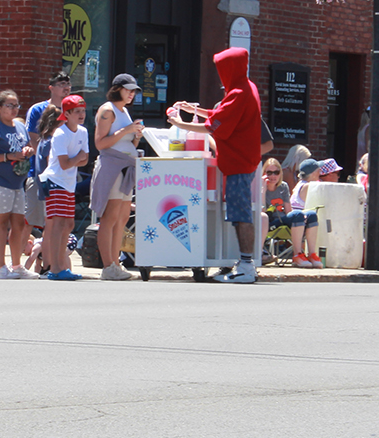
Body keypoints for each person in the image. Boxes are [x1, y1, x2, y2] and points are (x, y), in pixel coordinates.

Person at [167, 47, 265, 284]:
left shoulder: (239, 92)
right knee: (239, 213)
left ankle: (246, 266)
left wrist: (180, 123)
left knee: (241, 215)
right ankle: (243, 263)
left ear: (229, 68)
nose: (220, 74)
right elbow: (221, 114)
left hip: (239, 163)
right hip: (242, 161)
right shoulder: (246, 87)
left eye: (222, 69)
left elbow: (215, 126)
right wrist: (195, 110)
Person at [92, 74, 145, 280]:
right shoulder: (107, 110)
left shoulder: (124, 112)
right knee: (110, 217)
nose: (131, 94)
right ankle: (108, 266)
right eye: (128, 89)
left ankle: (116, 262)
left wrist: (136, 136)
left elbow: (128, 146)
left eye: (134, 91)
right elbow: (100, 143)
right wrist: (127, 130)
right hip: (112, 166)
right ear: (117, 89)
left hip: (126, 167)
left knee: (122, 218)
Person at [0, 90, 34, 279]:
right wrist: (7, 156)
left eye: (16, 105)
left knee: (18, 223)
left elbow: (26, 146)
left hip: (17, 181)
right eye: (9, 105)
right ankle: (1, 267)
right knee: (2, 222)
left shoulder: (19, 127)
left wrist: (28, 150)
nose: (14, 109)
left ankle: (16, 265)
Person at [38, 95, 90, 280]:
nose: (81, 114)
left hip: (68, 183)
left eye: (83, 111)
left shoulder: (83, 132)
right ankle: (55, 268)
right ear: (66, 114)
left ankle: (61, 267)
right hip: (54, 181)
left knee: (68, 224)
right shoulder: (60, 134)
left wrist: (76, 159)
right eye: (77, 111)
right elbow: (66, 163)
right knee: (58, 224)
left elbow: (85, 160)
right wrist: (77, 158)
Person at [23, 73, 73, 232]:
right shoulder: (37, 109)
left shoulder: (73, 111)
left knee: (56, 220)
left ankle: (46, 254)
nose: (66, 87)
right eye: (62, 84)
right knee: (32, 218)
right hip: (41, 175)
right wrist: (49, 164)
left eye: (68, 84)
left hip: (64, 177)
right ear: (51, 88)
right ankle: (18, 255)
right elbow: (33, 140)